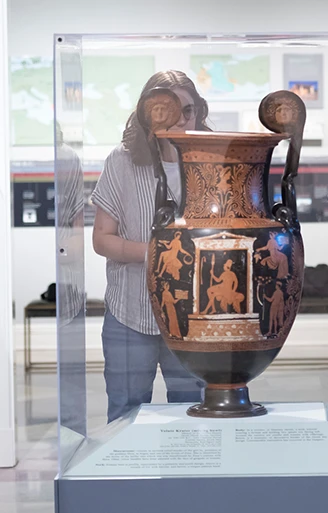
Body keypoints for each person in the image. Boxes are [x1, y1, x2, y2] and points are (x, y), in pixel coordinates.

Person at [90, 70, 209, 423]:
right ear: (148, 112)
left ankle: (189, 481)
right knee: (126, 414)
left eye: (187, 110)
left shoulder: (212, 163)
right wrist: (158, 253)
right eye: (166, 109)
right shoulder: (121, 161)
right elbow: (102, 239)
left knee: (194, 416)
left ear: (199, 112)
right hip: (131, 312)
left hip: (194, 315)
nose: (179, 119)